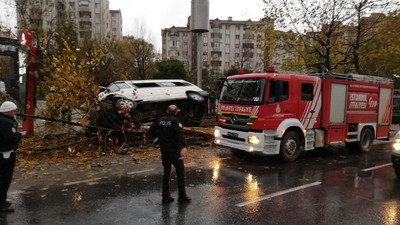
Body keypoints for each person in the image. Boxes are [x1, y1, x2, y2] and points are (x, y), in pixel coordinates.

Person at [149, 105, 191, 204]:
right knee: (180, 173)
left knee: (166, 173)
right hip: (175, 152)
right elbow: (180, 134)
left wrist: (159, 136)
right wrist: (184, 146)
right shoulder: (175, 121)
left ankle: (165, 196)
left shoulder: (160, 120)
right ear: (176, 112)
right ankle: (182, 196)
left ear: (167, 111)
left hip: (164, 152)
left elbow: (151, 130)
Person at [0, 101, 23, 213]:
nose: (14, 112)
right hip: (5, 153)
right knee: (4, 178)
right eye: (13, 110)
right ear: (7, 111)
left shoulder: (4, 119)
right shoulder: (5, 122)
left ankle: (2, 200)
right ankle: (1, 204)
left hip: (3, 152)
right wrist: (20, 135)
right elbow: (10, 137)